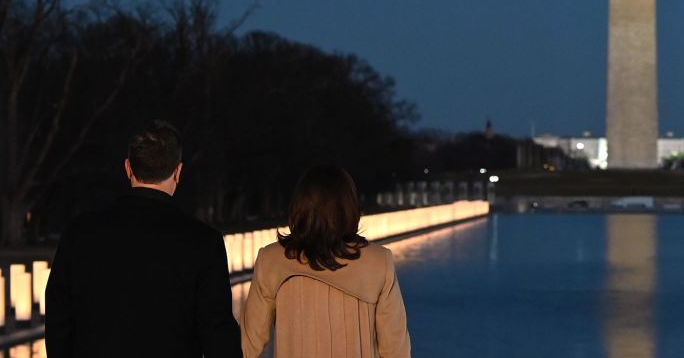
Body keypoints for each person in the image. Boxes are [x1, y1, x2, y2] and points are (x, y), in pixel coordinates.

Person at [44, 120, 241, 358]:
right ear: (178, 171)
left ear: (128, 168)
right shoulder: (204, 241)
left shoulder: (79, 233)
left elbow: (59, 322)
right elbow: (217, 333)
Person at [240, 165, 411, 358]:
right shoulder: (379, 262)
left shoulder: (271, 260)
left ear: (300, 206)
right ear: (349, 207)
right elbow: (395, 349)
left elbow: (247, 344)